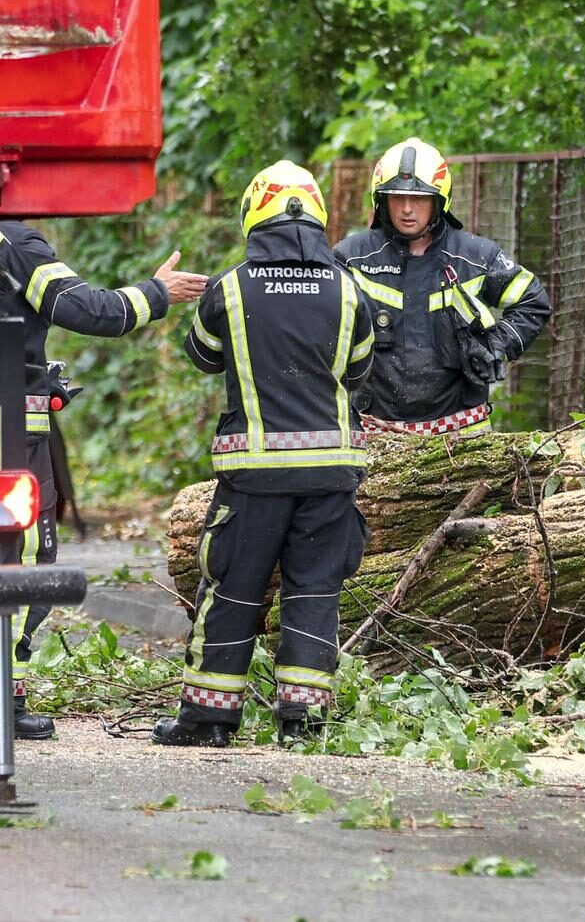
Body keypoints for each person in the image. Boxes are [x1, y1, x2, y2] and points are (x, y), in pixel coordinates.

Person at [0, 222, 207, 740]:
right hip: (7, 430)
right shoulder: (11, 243)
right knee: (25, 560)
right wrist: (158, 293)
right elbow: (87, 310)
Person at [152, 161, 374, 748]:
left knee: (232, 589)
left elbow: (202, 355)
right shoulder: (350, 289)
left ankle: (209, 719)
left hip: (252, 477)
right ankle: (302, 721)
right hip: (330, 474)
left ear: (254, 215)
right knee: (314, 591)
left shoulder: (229, 287)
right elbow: (359, 369)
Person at [334, 137, 551, 435]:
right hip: (376, 433)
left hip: (463, 434)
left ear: (439, 200)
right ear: (381, 200)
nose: (407, 208)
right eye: (397, 197)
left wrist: (495, 346)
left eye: (419, 198)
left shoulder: (475, 257)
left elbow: (533, 301)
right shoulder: (351, 258)